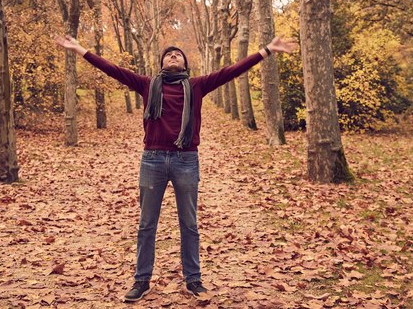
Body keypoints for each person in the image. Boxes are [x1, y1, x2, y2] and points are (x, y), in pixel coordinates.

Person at [54, 35, 298, 302]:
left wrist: (266, 51)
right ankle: (141, 281)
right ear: (161, 63)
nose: (173, 55)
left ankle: (193, 280)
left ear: (184, 64)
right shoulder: (147, 85)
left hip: (186, 160)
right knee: (147, 224)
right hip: (153, 160)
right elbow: (112, 69)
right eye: (168, 54)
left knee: (189, 224)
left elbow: (232, 70)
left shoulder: (197, 86)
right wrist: (80, 50)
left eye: (178, 54)